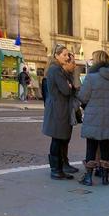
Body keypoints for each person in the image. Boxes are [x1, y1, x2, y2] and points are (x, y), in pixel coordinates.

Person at [78, 50, 109, 186]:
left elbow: (83, 97)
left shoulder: (91, 77)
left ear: (96, 61)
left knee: (91, 147)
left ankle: (88, 177)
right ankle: (105, 177)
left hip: (93, 118)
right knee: (106, 147)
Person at [42, 44, 76, 180]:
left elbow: (69, 87)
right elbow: (66, 90)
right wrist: (69, 86)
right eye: (65, 54)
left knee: (60, 140)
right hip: (58, 109)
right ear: (56, 55)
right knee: (57, 139)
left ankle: (59, 168)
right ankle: (56, 170)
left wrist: (70, 86)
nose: (67, 57)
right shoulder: (55, 70)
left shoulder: (58, 70)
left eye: (68, 55)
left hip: (60, 108)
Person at [61, 52, 80, 174]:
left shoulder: (69, 76)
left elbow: (76, 89)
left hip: (68, 111)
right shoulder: (60, 75)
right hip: (62, 112)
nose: (75, 65)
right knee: (61, 139)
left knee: (65, 139)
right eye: (73, 62)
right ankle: (61, 164)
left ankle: (64, 163)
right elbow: (69, 91)